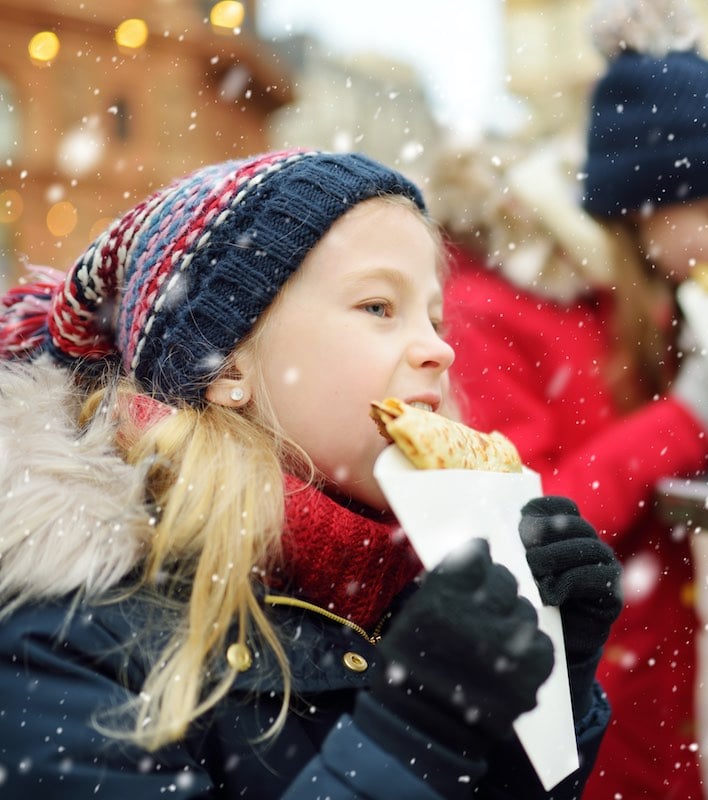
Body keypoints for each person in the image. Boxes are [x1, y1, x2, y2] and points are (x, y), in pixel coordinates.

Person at [0, 148, 622, 799]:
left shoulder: (403, 584)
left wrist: (557, 682)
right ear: (228, 365)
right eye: (379, 307)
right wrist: (413, 732)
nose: (440, 348)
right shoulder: (66, 637)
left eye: (436, 320)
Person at [437, 0, 708, 797]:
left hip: (656, 682)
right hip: (568, 704)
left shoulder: (648, 300)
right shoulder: (494, 314)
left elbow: (690, 473)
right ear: (644, 204)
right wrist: (693, 413)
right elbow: (533, 522)